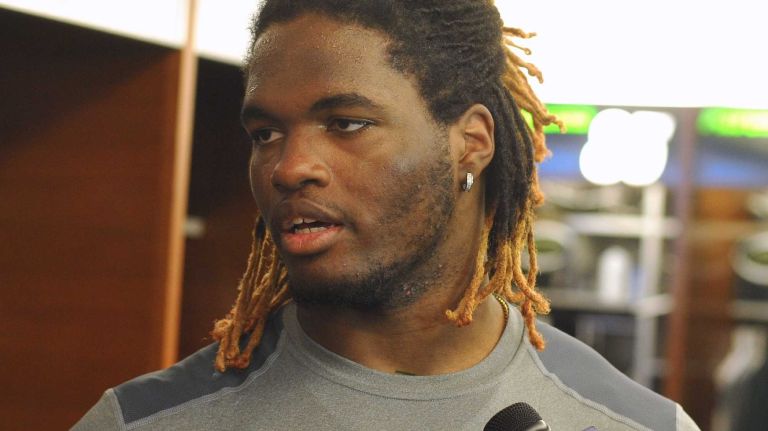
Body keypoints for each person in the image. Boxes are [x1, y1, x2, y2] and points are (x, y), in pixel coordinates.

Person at [74, 1, 699, 429]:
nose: (289, 167)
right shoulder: (145, 421)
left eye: (346, 123)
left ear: (472, 141)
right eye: (264, 133)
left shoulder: (626, 422)